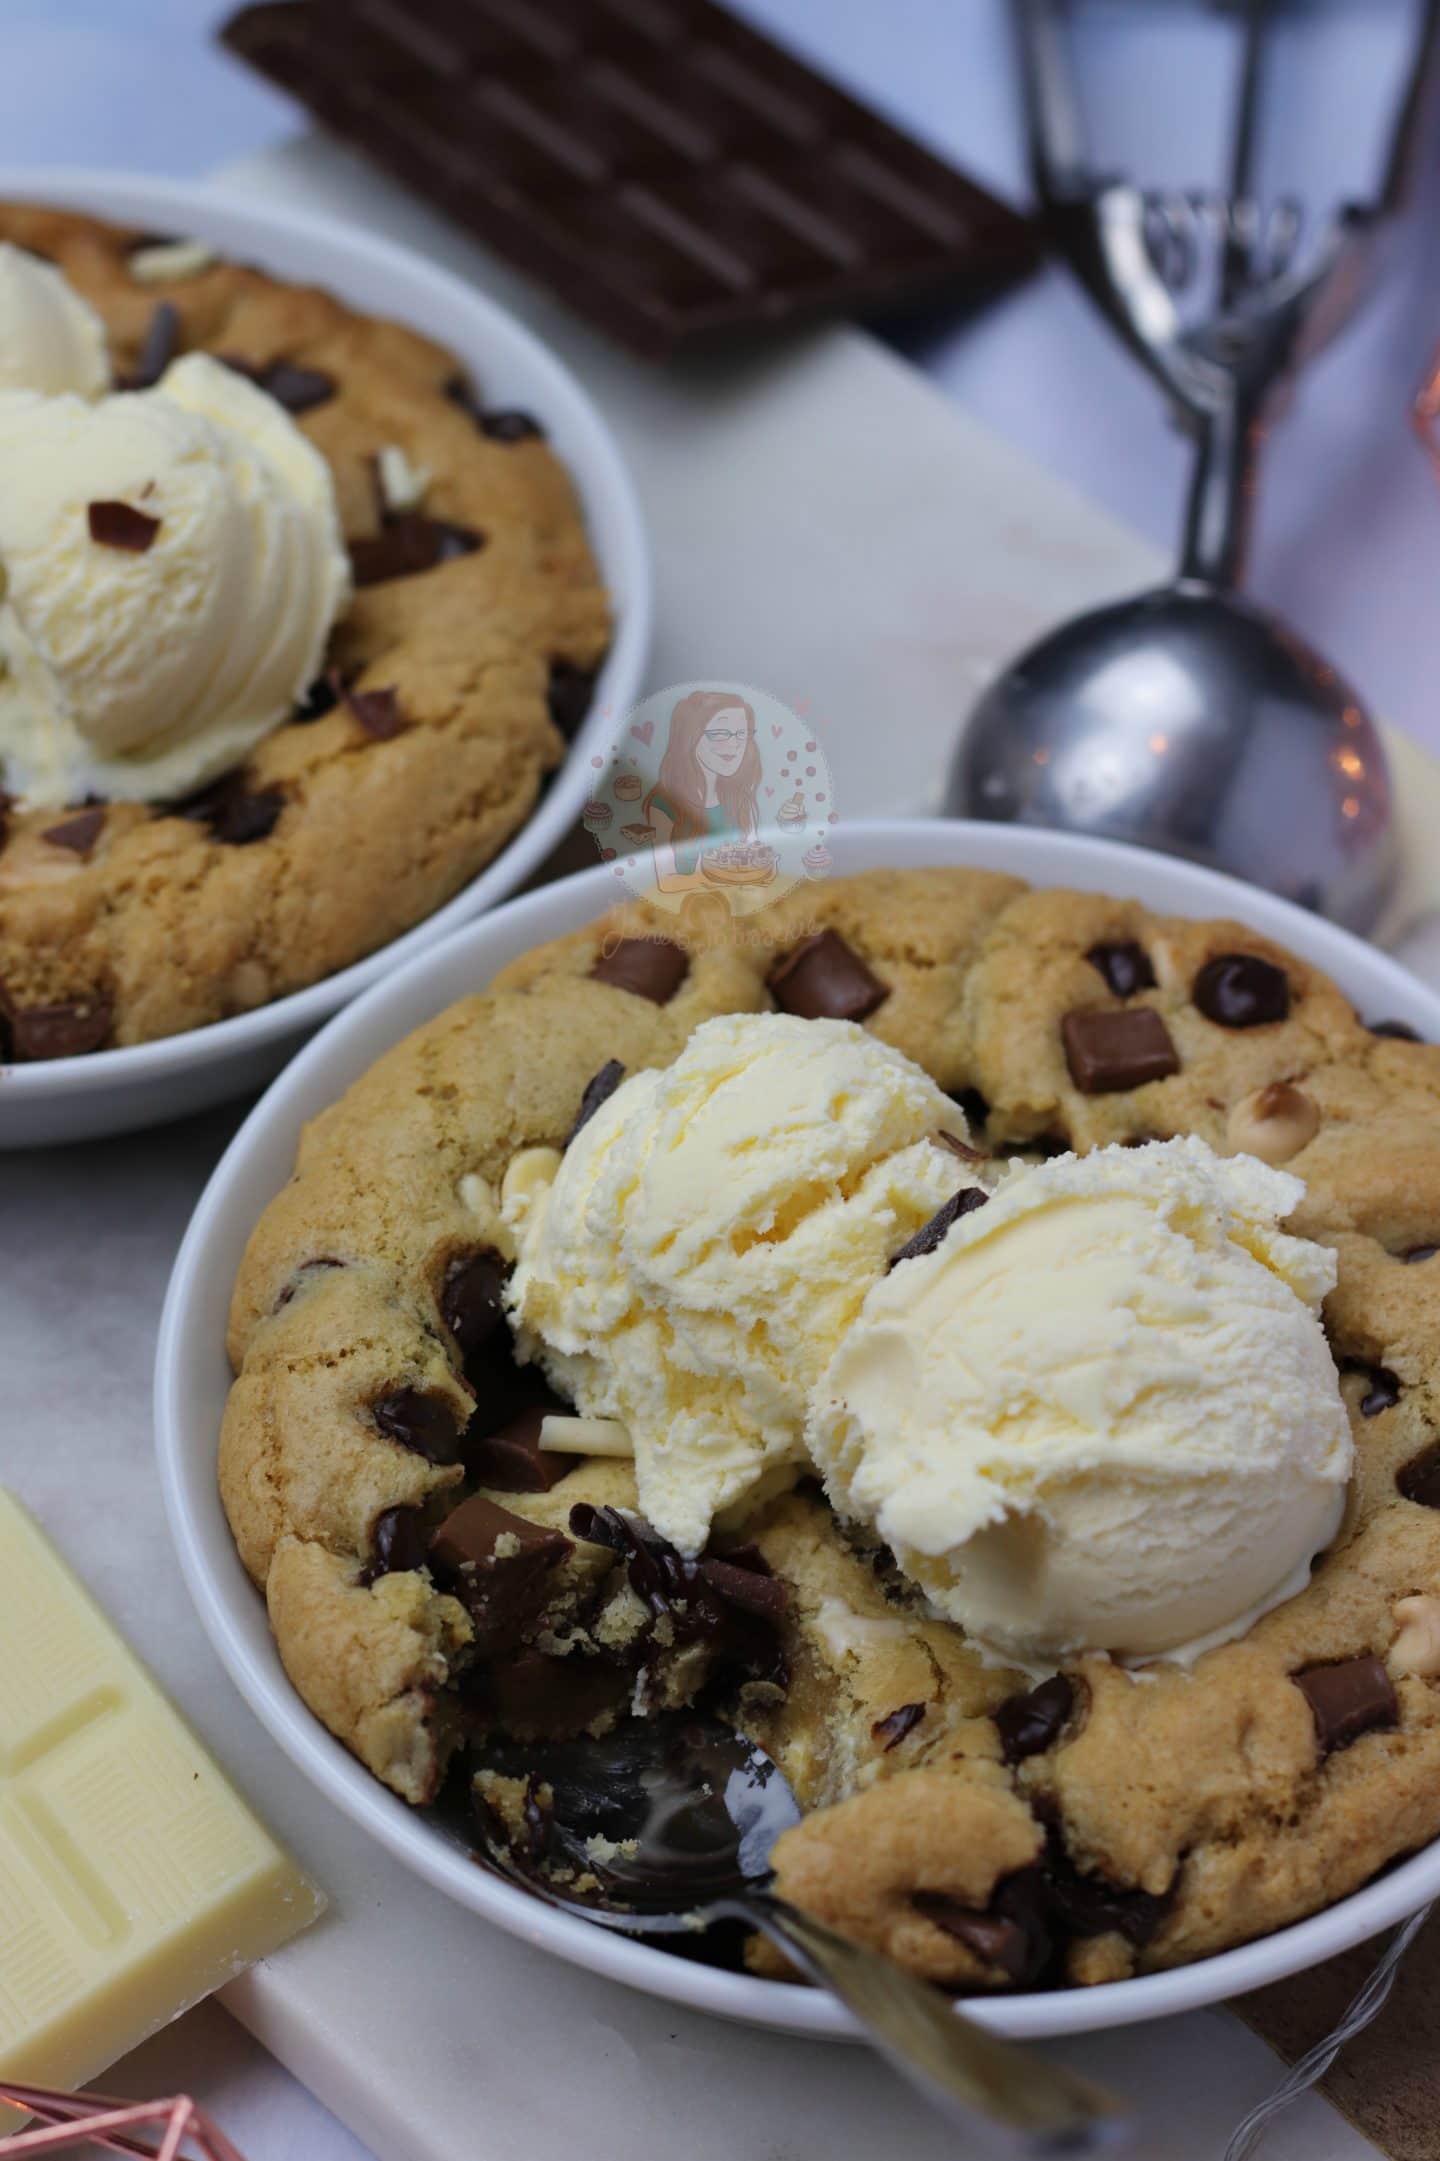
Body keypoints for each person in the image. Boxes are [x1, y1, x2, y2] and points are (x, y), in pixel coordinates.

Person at [642, 688, 761, 892]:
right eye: (720, 734)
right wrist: (713, 879)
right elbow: (665, 881)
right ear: (690, 736)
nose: (733, 744)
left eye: (741, 734)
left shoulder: (737, 796)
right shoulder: (664, 804)